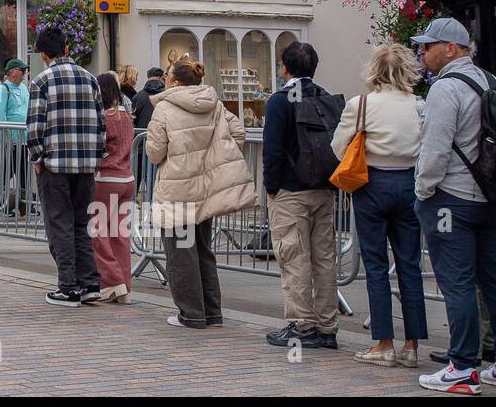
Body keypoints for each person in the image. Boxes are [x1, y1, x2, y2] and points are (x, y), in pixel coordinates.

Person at [409, 18, 496, 394]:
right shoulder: (489, 81)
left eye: (428, 46)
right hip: (488, 197)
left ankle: (462, 366)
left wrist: (423, 192)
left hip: (451, 199)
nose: (422, 52)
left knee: (456, 282)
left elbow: (434, 150)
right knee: (491, 281)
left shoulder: (446, 88)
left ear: (452, 48)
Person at [331, 42, 427, 369]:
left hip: (372, 183)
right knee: (409, 264)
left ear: (374, 69)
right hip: (409, 183)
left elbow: (338, 146)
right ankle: (412, 344)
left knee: (375, 264)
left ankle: (384, 343)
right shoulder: (419, 105)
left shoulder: (361, 105)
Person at [145, 59, 254, 327]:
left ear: (176, 81)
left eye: (168, 77)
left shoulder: (165, 108)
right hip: (206, 189)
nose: (165, 82)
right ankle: (212, 311)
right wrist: (215, 159)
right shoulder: (214, 104)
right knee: (204, 249)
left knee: (181, 252)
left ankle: (190, 313)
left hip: (178, 189)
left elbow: (154, 152)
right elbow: (238, 133)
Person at [262, 42, 343, 350]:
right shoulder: (325, 97)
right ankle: (327, 326)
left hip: (290, 190)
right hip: (323, 188)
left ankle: (302, 325)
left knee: (294, 258)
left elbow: (273, 150)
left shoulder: (280, 101)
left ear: (285, 67)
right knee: (324, 259)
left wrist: (271, 188)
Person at [25, 26, 106, 306]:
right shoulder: (90, 79)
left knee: (59, 223)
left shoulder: (41, 81)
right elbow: (101, 123)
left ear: (43, 54)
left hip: (55, 163)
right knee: (82, 223)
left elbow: (35, 127)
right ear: (68, 49)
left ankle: (68, 286)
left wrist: (37, 157)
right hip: (86, 163)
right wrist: (97, 157)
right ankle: (90, 283)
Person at [92, 72, 137, 302]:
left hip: (107, 177)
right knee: (120, 234)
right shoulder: (126, 116)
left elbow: (97, 147)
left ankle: (111, 280)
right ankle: (125, 286)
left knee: (97, 231)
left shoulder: (103, 117)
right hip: (127, 177)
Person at [0, 58, 31, 216]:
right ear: (13, 72)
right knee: (5, 174)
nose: (24, 74)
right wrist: (8, 138)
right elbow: (1, 116)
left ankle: (25, 204)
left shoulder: (24, 88)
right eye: (22, 71)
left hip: (23, 140)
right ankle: (4, 204)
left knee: (24, 174)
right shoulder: (2, 90)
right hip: (8, 141)